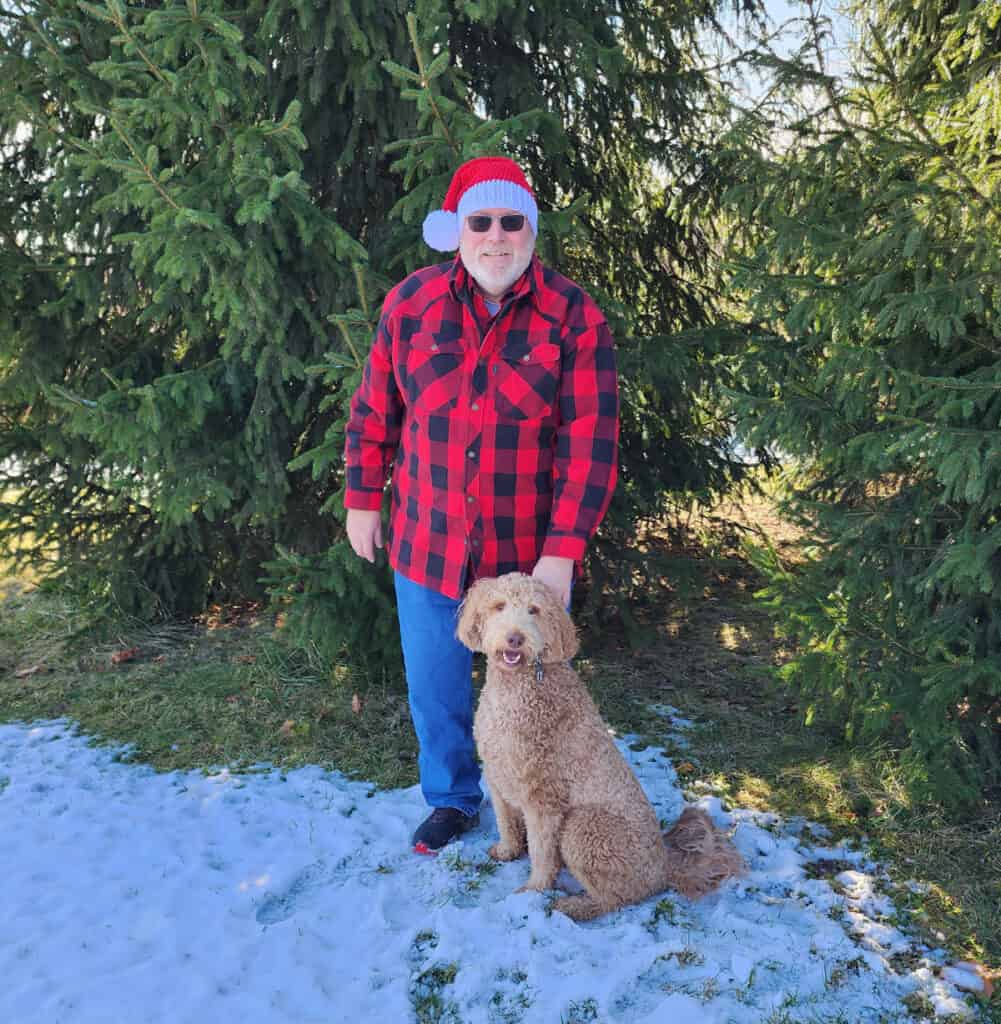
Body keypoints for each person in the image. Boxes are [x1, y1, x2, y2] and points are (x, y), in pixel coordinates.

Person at [343, 156, 619, 854]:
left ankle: (543, 805)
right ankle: (454, 800)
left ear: (530, 229)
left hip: (527, 560)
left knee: (538, 697)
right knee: (435, 687)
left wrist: (561, 553)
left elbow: (591, 439)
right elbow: (375, 410)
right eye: (481, 221)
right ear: (455, 230)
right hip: (427, 541)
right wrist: (362, 500)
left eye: (511, 221)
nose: (496, 237)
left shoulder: (573, 315)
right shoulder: (409, 304)